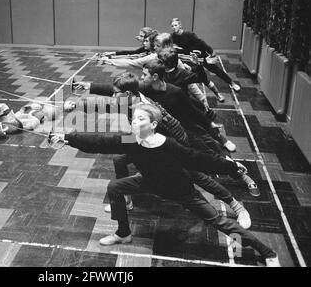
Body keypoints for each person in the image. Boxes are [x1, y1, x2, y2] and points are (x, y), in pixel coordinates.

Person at [49, 104, 279, 267]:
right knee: (115, 187)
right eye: (133, 118)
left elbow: (199, 159)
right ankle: (123, 233)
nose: (134, 122)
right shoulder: (131, 140)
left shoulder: (169, 145)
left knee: (219, 221)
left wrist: (231, 167)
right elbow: (100, 141)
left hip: (180, 191)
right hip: (148, 182)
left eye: (140, 119)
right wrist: (68, 138)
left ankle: (267, 253)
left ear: (153, 124)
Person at [170, 18, 241, 93]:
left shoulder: (188, 34)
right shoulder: (173, 36)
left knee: (215, 70)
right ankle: (215, 93)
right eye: (172, 26)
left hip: (201, 54)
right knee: (201, 75)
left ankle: (232, 83)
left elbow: (201, 42)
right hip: (192, 58)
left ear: (180, 26)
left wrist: (210, 50)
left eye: (175, 25)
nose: (174, 27)